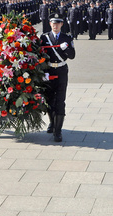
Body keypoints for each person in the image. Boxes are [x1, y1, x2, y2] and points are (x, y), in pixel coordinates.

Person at [40, 13, 76, 142]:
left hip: (61, 71)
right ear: (50, 24)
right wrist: (43, 71)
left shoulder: (67, 38)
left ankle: (58, 131)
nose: (55, 25)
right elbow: (40, 56)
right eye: (53, 23)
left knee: (60, 101)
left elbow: (72, 56)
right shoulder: (44, 38)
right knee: (49, 100)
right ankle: (52, 122)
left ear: (61, 24)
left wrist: (66, 49)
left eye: (58, 23)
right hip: (48, 71)